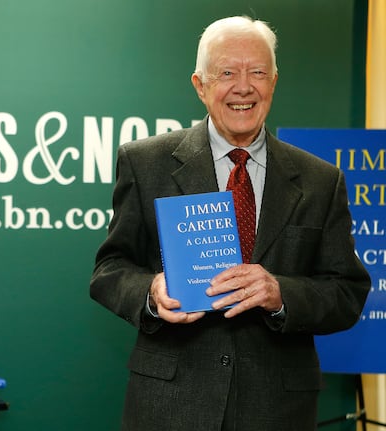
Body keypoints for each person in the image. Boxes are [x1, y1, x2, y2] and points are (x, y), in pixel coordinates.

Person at [90, 15, 370, 431]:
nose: (243, 87)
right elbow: (109, 271)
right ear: (200, 86)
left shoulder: (321, 180)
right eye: (226, 73)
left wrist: (280, 293)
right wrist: (150, 292)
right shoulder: (145, 162)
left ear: (274, 82)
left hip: (277, 411)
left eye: (257, 72)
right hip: (170, 406)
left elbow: (347, 293)